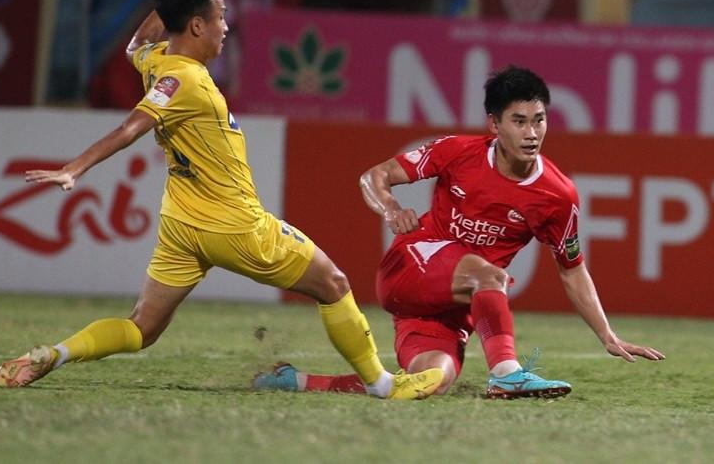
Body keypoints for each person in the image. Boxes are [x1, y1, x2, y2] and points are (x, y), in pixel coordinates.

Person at [0, 0, 442, 400]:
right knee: (334, 284)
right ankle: (383, 385)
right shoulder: (184, 80)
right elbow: (132, 128)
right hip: (233, 223)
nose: (227, 27)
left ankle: (54, 354)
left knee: (142, 326)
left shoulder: (157, 61)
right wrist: (75, 168)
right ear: (198, 24)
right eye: (221, 16)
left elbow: (136, 44)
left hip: (182, 224)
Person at [253, 65, 665, 399]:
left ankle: (297, 380)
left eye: (539, 120)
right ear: (494, 124)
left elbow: (572, 269)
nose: (532, 133)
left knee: (430, 381)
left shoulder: (557, 196)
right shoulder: (457, 152)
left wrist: (607, 335)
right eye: (519, 121)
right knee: (490, 274)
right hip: (410, 268)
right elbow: (374, 176)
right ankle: (507, 373)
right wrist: (391, 206)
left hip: (454, 307)